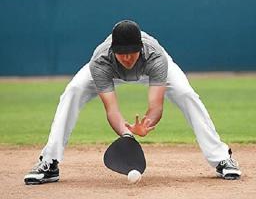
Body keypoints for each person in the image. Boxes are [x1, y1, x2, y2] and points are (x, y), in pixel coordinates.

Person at [24, 20, 241, 185]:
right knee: (73, 90)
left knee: (186, 94)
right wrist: (126, 134)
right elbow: (111, 109)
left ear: (140, 47)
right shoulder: (101, 60)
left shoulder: (155, 57)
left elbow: (156, 105)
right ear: (113, 50)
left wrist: (146, 124)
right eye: (122, 54)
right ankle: (49, 162)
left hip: (150, 68)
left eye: (132, 52)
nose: (127, 58)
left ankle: (222, 158)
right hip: (108, 69)